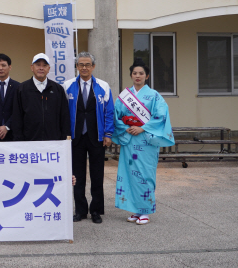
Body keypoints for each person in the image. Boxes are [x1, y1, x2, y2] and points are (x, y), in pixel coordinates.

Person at [112, 59, 174, 226]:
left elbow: (160, 116)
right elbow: (116, 115)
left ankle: (145, 210)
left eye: (141, 73)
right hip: (129, 139)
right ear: (131, 75)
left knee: (145, 175)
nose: (137, 76)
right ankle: (135, 209)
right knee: (129, 175)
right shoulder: (124, 96)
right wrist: (125, 128)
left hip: (146, 140)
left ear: (147, 76)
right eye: (134, 73)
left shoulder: (154, 96)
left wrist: (143, 128)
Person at [63, 52, 114, 224]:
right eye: (81, 64)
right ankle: (80, 211)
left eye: (87, 64)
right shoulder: (67, 86)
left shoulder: (103, 86)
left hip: (97, 137)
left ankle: (96, 210)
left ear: (93, 66)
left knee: (97, 175)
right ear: (76, 66)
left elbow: (109, 112)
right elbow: (62, 112)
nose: (84, 68)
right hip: (75, 137)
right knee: (77, 176)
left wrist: (108, 134)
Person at [10, 53, 70, 141]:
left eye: (44, 65)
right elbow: (17, 116)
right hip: (29, 141)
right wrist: (18, 139)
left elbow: (64, 116)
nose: (41, 68)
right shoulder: (22, 89)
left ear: (48, 69)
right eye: (38, 65)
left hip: (54, 141)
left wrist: (64, 137)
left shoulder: (58, 89)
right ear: (32, 67)